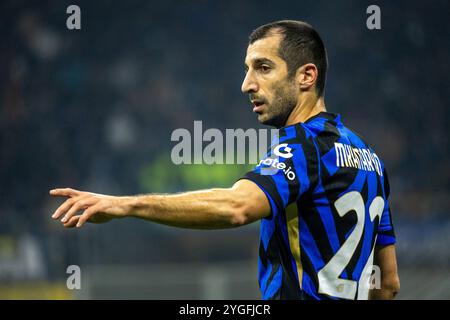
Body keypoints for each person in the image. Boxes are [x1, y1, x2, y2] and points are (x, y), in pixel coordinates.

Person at [50, 20, 400, 300]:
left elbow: (237, 207)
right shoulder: (370, 158)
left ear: (306, 76)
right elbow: (388, 283)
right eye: (248, 69)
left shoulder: (304, 147)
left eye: (263, 68)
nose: (247, 84)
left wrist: (127, 205)